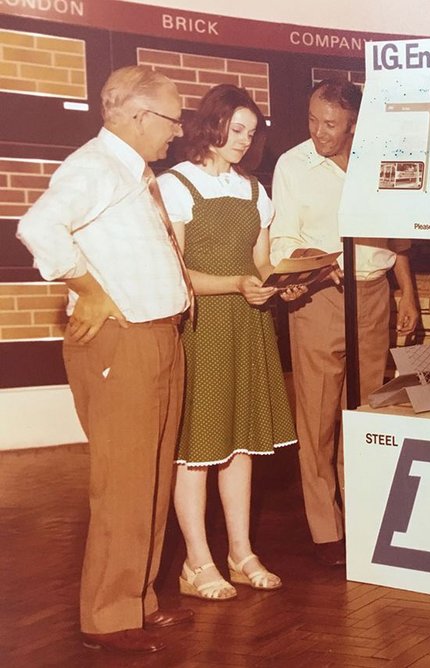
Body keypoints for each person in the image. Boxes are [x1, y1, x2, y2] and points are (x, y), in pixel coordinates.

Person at [16, 65, 194, 654]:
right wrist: (89, 291)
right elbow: (39, 225)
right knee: (123, 481)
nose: (178, 132)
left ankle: (139, 600)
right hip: (123, 343)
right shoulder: (93, 166)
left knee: (153, 475)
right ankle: (110, 618)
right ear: (139, 116)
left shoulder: (132, 170)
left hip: (159, 335)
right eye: (173, 119)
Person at [156, 84, 299, 600]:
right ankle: (197, 562)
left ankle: (240, 553)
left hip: (248, 323)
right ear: (211, 126)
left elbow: (260, 262)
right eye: (236, 130)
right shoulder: (174, 185)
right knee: (198, 449)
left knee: (242, 447)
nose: (244, 141)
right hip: (202, 327)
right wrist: (237, 284)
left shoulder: (254, 190)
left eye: (251, 132)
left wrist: (281, 281)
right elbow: (178, 271)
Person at [270, 78, 419, 566]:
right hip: (319, 298)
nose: (319, 132)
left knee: (365, 412)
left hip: (374, 296)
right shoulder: (292, 165)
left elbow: (399, 241)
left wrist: (407, 293)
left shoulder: (379, 164)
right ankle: (326, 532)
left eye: (330, 124)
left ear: (354, 123)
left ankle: (364, 515)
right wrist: (317, 260)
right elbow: (283, 240)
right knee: (317, 417)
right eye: (312, 120)